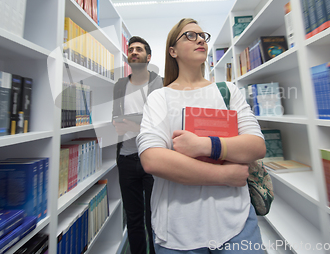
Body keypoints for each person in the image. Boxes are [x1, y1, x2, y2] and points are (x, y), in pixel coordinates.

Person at [136, 18, 266, 253]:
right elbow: (152, 159)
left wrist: (204, 146)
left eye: (202, 36)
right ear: (172, 51)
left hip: (237, 222)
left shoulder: (228, 91)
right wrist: (224, 174)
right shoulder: (159, 98)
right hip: (176, 229)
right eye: (190, 35)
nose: (200, 40)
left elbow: (256, 146)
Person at [112, 36, 163, 254]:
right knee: (133, 217)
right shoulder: (120, 85)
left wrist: (132, 123)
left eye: (139, 49)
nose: (134, 52)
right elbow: (116, 120)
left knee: (154, 216)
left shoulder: (159, 83)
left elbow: (160, 121)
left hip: (152, 158)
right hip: (126, 158)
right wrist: (132, 123)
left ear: (148, 57)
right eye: (131, 49)